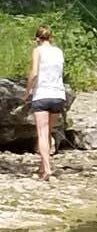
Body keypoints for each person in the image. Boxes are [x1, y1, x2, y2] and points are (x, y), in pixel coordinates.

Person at [24, 25, 66, 183]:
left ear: (37, 39)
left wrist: (27, 91)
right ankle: (42, 167)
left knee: (41, 133)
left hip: (42, 94)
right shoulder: (59, 51)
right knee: (48, 133)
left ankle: (48, 169)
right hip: (58, 95)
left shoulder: (38, 51)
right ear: (51, 38)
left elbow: (34, 73)